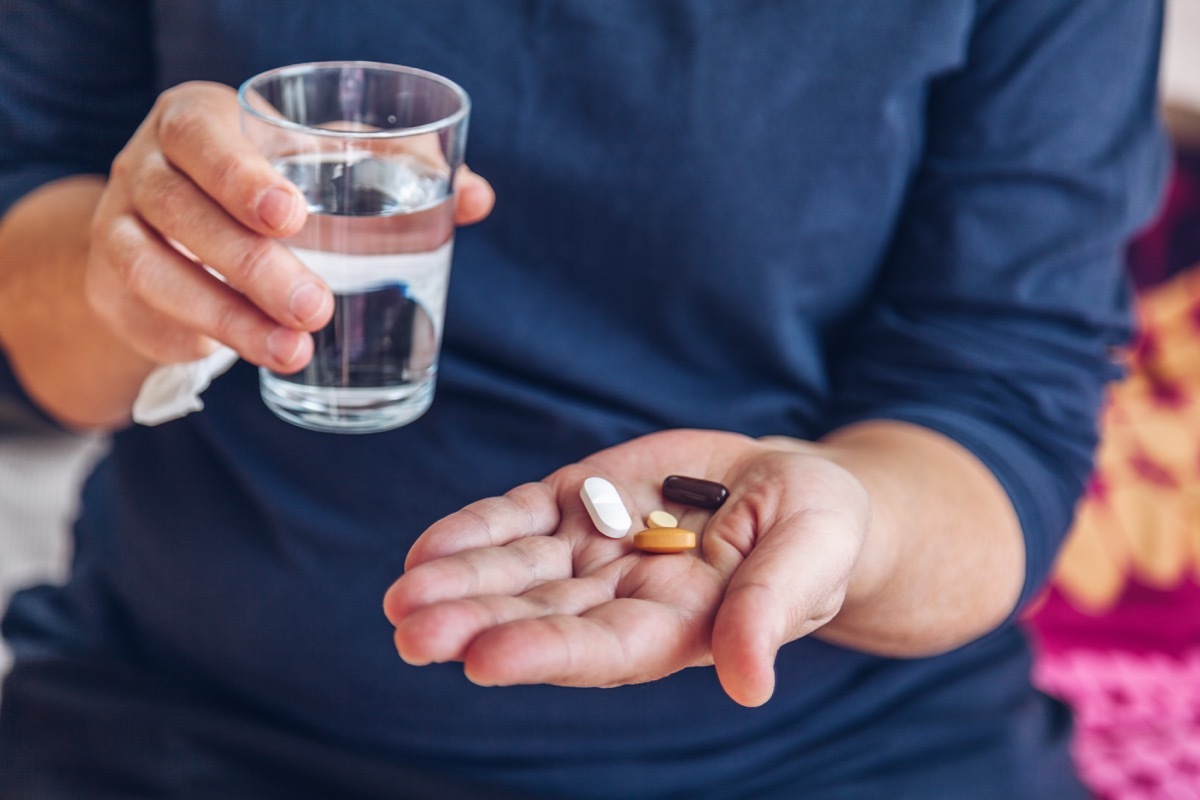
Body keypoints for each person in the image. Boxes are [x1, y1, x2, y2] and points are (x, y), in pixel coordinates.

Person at [0, 2, 1168, 798]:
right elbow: (27, 274)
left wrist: (842, 521)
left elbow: (999, 404)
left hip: (827, 755)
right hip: (189, 721)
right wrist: (128, 275)